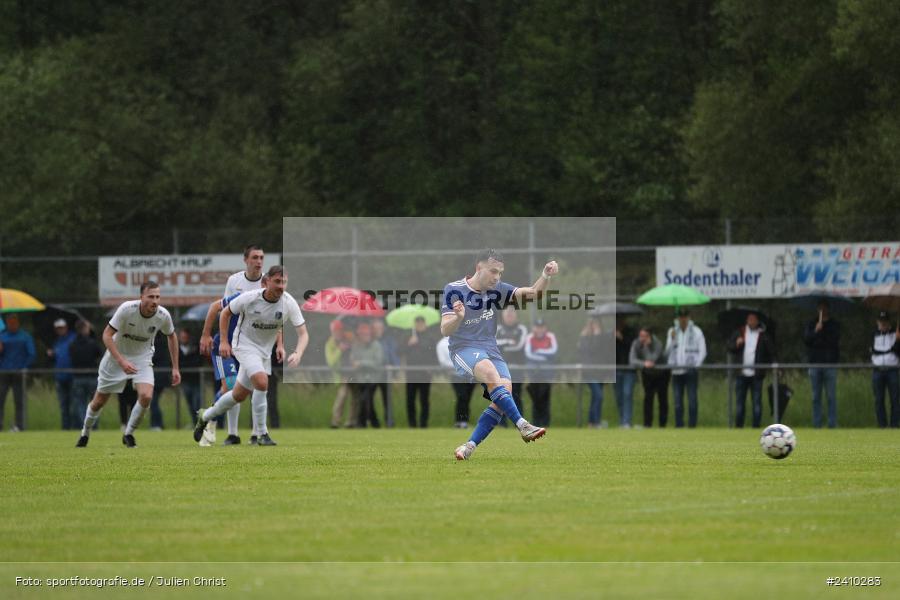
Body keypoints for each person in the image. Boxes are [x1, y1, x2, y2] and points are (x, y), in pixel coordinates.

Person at [443, 248, 557, 461]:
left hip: (490, 348)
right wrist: (458, 317)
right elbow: (445, 329)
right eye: (493, 271)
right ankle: (523, 425)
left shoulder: (497, 289)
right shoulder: (454, 289)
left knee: (504, 393)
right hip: (463, 348)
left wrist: (545, 275)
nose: (497, 277)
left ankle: (469, 446)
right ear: (479, 268)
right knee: (490, 373)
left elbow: (534, 293)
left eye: (500, 273)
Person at [194, 266, 308, 446]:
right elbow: (225, 313)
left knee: (237, 395)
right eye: (277, 281)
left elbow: (303, 333)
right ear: (266, 282)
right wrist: (223, 341)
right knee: (262, 382)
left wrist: (297, 352)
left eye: (284, 282)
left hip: (264, 352)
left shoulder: (288, 302)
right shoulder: (250, 297)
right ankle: (261, 434)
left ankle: (205, 416)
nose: (281, 286)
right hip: (243, 346)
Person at [76, 281, 180, 447]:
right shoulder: (126, 309)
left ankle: (128, 433)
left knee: (146, 396)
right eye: (151, 297)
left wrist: (175, 368)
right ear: (141, 297)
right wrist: (121, 361)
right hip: (116, 358)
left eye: (157, 297)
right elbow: (107, 335)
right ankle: (85, 433)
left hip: (142, 359)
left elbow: (172, 336)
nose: (155, 301)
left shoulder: (163, 315)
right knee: (99, 401)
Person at [199, 244, 269, 445]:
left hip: (252, 346)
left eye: (261, 257)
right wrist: (208, 336)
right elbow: (220, 308)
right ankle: (224, 429)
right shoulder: (236, 285)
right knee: (229, 387)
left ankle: (256, 434)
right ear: (246, 260)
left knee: (250, 388)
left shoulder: (269, 286)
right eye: (254, 257)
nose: (258, 261)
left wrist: (278, 344)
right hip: (228, 345)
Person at [727, 312, 776, 428]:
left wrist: (775, 364)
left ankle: (756, 427)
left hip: (756, 375)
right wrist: (736, 344)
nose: (751, 321)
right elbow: (729, 347)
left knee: (757, 402)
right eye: (749, 319)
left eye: (753, 319)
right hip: (741, 374)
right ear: (747, 320)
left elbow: (771, 352)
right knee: (740, 403)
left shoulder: (763, 335)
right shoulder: (740, 332)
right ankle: (739, 427)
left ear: (757, 321)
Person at [665, 308, 707, 428]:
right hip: (676, 370)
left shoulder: (697, 331)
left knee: (692, 400)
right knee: (677, 401)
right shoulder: (672, 331)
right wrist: (672, 339)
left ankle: (692, 426)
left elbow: (703, 351)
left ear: (689, 317)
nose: (683, 319)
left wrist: (696, 366)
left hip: (691, 370)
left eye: (685, 316)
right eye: (680, 317)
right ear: (678, 318)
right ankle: (679, 425)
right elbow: (667, 352)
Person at [803, 300, 840, 429]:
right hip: (814, 364)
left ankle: (832, 424)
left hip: (830, 365)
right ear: (817, 309)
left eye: (824, 308)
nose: (822, 310)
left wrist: (823, 331)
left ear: (828, 309)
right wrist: (816, 330)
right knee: (815, 397)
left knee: (831, 396)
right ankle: (817, 424)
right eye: (820, 308)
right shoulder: (811, 323)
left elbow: (834, 341)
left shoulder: (834, 325)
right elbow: (807, 340)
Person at [0, 314, 36, 432]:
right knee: (1, 399)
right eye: (10, 323)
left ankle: (19, 425)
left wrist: (24, 367)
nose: (12, 325)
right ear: (7, 324)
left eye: (14, 323)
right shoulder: (2, 337)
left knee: (19, 400)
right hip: (4, 372)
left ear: (17, 323)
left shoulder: (25, 336)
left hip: (18, 373)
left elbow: (31, 354)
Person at [403, 316, 441, 428]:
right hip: (411, 374)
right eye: (417, 323)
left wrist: (432, 369)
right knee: (410, 400)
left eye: (421, 323)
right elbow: (399, 351)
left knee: (424, 400)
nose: (419, 325)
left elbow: (434, 356)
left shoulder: (430, 338)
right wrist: (409, 344)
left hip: (425, 374)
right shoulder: (408, 337)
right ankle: (412, 424)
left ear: (425, 324)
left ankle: (423, 424)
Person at [630, 327, 669, 428]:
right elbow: (632, 360)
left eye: (644, 336)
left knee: (662, 399)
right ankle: (647, 424)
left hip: (662, 373)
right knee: (648, 398)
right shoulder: (636, 343)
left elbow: (652, 360)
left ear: (649, 336)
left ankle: (662, 425)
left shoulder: (658, 343)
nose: (641, 338)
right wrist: (643, 364)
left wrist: (646, 347)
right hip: (648, 373)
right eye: (640, 336)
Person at [68, 320, 103, 431]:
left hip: (78, 377)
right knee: (95, 403)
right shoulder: (92, 343)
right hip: (92, 376)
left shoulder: (72, 344)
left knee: (80, 404)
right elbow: (100, 353)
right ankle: (93, 425)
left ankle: (85, 425)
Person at [349, 321, 385, 428]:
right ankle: (373, 423)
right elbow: (353, 361)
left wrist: (361, 363)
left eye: (367, 334)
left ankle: (362, 423)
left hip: (373, 379)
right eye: (362, 334)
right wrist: (359, 363)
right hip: (360, 379)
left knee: (365, 399)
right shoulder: (356, 346)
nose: (365, 336)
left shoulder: (376, 346)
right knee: (365, 401)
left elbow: (377, 363)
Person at [524, 318, 558, 428]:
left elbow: (553, 351)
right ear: (534, 328)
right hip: (534, 373)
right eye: (537, 327)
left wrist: (538, 352)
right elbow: (528, 354)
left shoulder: (550, 336)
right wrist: (543, 358)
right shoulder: (530, 337)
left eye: (542, 327)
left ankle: (545, 423)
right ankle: (536, 423)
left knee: (545, 398)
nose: (539, 329)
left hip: (546, 373)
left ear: (545, 328)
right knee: (535, 398)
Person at [870, 311, 900, 428]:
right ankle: (882, 425)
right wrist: (889, 350)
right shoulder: (873, 334)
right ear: (877, 322)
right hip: (878, 370)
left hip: (892, 370)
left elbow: (897, 351)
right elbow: (873, 350)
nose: (883, 324)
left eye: (885, 321)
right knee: (879, 399)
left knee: (895, 399)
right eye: (881, 321)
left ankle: (894, 424)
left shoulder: (895, 334)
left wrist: (898, 341)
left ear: (889, 322)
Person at [496, 306, 528, 415]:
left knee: (516, 396)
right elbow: (493, 345)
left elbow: (519, 346)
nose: (509, 316)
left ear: (516, 315)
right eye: (507, 314)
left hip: (517, 369)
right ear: (503, 315)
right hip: (500, 371)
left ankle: (520, 422)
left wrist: (503, 346)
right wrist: (508, 342)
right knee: (501, 397)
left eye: (512, 314)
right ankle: (501, 422)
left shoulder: (521, 329)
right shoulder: (497, 329)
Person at [438, 335, 475, 428]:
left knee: (467, 398)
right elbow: (443, 362)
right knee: (462, 396)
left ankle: (464, 421)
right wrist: (459, 364)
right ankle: (460, 421)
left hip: (469, 375)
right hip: (455, 375)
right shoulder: (442, 344)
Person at [578, 315, 608, 428]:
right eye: (592, 324)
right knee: (598, 396)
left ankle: (592, 422)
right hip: (589, 372)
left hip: (600, 372)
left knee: (596, 397)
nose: (594, 327)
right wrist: (595, 335)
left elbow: (603, 352)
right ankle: (596, 422)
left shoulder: (601, 338)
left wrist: (598, 336)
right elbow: (591, 350)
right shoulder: (585, 337)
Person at [47, 318, 77, 430]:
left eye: (62, 328)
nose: (60, 330)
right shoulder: (56, 342)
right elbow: (56, 359)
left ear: (66, 327)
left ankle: (76, 427)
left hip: (72, 376)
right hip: (60, 377)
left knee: (74, 405)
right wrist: (51, 355)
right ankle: (65, 428)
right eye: (58, 328)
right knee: (64, 405)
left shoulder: (73, 338)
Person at [326, 319, 353, 428]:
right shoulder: (330, 344)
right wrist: (339, 350)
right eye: (335, 331)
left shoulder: (349, 338)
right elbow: (331, 362)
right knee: (342, 397)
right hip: (341, 375)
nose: (338, 333)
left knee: (354, 398)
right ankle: (335, 421)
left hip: (353, 373)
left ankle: (351, 421)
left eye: (340, 330)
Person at [371, 319, 397, 428]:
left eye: (380, 328)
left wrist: (394, 370)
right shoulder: (369, 341)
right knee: (368, 399)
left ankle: (389, 422)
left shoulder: (388, 341)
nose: (378, 330)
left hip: (386, 374)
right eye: (376, 328)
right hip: (372, 375)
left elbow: (393, 356)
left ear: (383, 329)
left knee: (387, 400)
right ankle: (374, 423)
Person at [613, 316, 637, 428]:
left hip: (629, 369)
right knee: (619, 396)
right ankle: (622, 419)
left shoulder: (632, 332)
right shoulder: (611, 333)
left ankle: (627, 421)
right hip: (616, 369)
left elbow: (634, 347)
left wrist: (621, 338)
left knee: (627, 394)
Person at [177, 328, 202, 425]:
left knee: (197, 403)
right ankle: (194, 422)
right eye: (182, 337)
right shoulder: (177, 349)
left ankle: (200, 422)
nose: (183, 339)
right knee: (190, 403)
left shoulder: (195, 348)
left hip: (196, 380)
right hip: (185, 381)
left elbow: (198, 362)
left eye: (185, 337)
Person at [148, 331, 171, 430]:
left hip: (158, 378)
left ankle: (157, 424)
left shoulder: (158, 344)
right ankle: (155, 424)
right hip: (159, 377)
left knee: (153, 402)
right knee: (153, 402)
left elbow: (154, 358)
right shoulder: (162, 342)